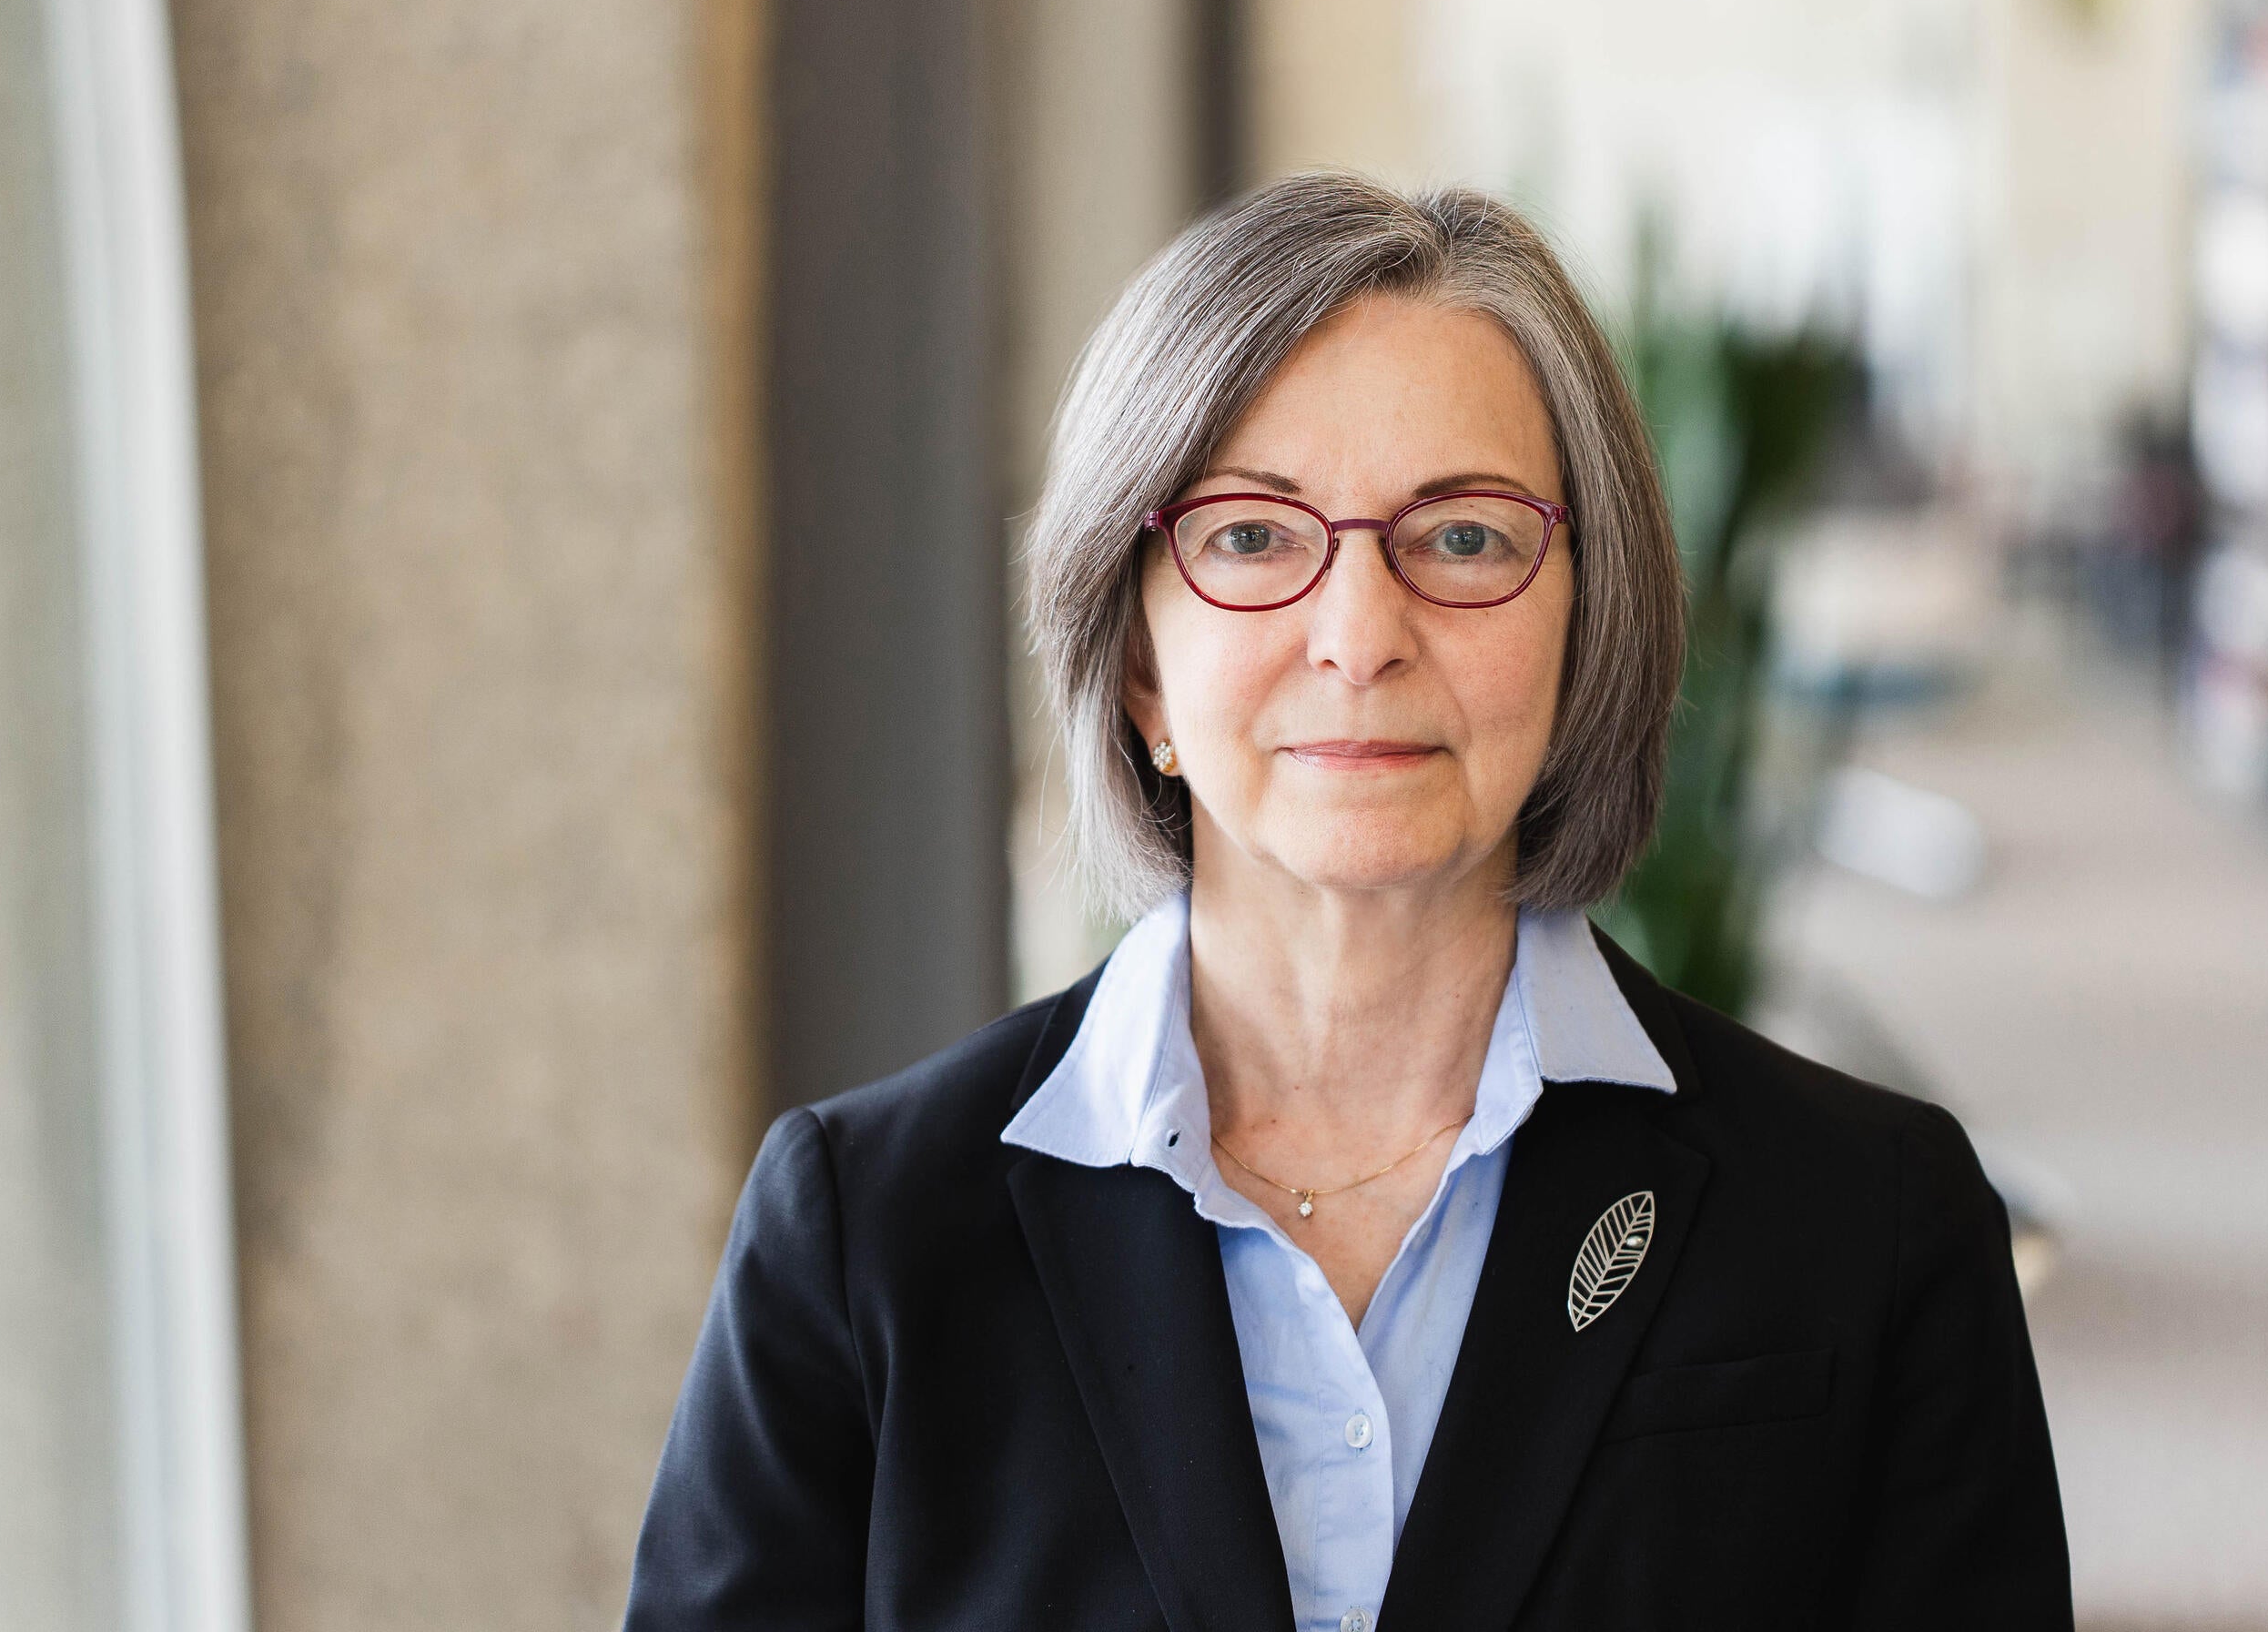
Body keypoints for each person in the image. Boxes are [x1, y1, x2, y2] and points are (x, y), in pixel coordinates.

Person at [623, 174, 2072, 1631]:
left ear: (1587, 623)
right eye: (1252, 536)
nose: (1361, 637)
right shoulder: (862, 1234)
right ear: (1138, 663)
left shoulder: (1873, 1221)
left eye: (1464, 539)